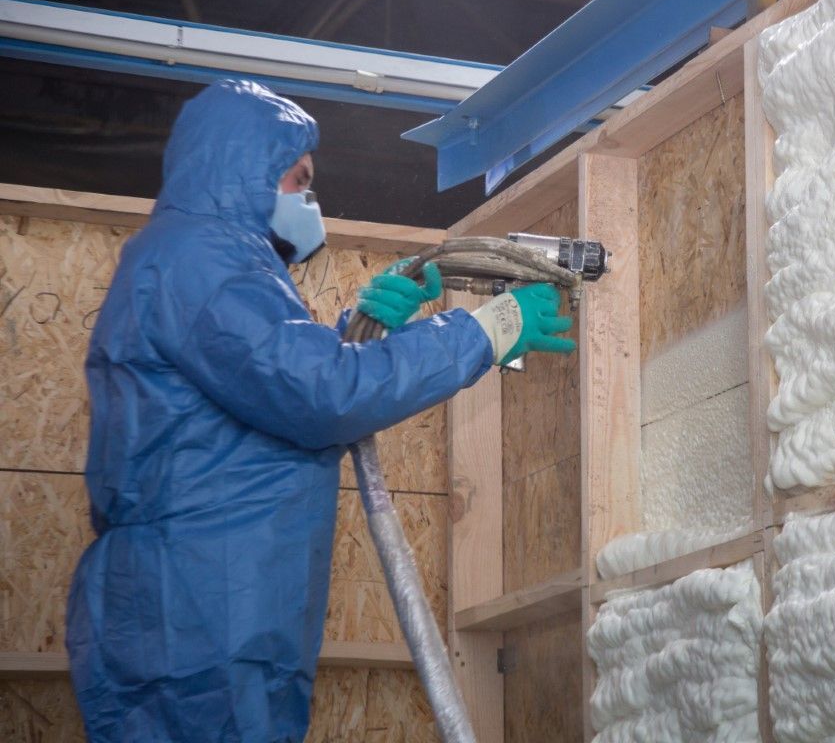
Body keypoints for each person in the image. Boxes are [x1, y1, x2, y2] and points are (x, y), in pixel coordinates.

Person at [66, 78, 574, 742]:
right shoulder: (201, 257)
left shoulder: (199, 259)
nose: (308, 201)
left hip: (205, 599)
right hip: (202, 608)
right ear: (242, 167)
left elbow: (266, 385)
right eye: (298, 180)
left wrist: (363, 328)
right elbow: (319, 395)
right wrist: (484, 331)